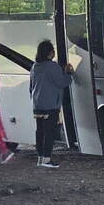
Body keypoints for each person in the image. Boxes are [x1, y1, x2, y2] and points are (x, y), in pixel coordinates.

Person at [29, 40, 74, 168]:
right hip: (50, 105)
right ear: (49, 52)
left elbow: (31, 86)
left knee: (40, 132)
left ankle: (40, 158)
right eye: (52, 50)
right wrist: (68, 73)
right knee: (49, 133)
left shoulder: (35, 66)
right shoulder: (52, 66)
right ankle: (47, 159)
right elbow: (62, 82)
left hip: (37, 105)